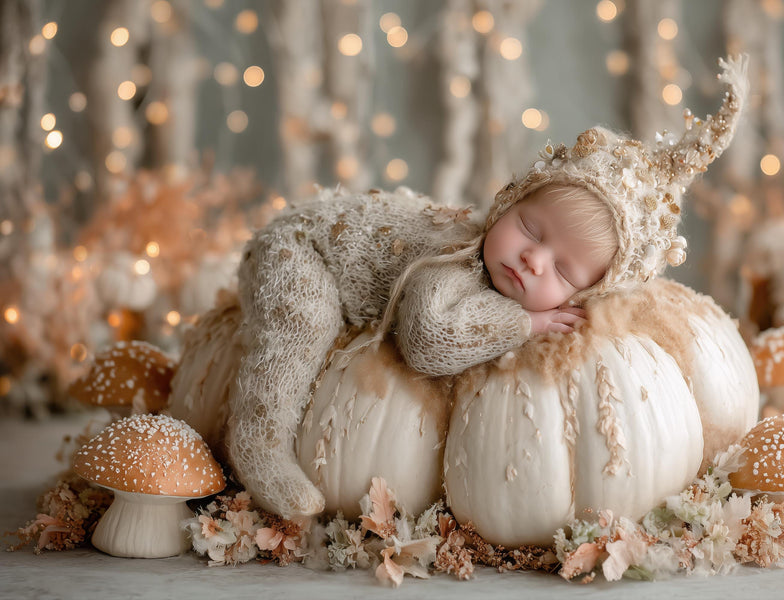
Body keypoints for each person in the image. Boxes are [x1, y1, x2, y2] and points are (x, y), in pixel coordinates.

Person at [228, 56, 750, 522]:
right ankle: (258, 442)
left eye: (564, 273)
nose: (533, 259)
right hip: (301, 247)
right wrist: (527, 322)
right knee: (303, 326)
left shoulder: (527, 269)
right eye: (530, 228)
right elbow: (426, 341)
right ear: (507, 202)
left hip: (321, 240)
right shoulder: (454, 268)